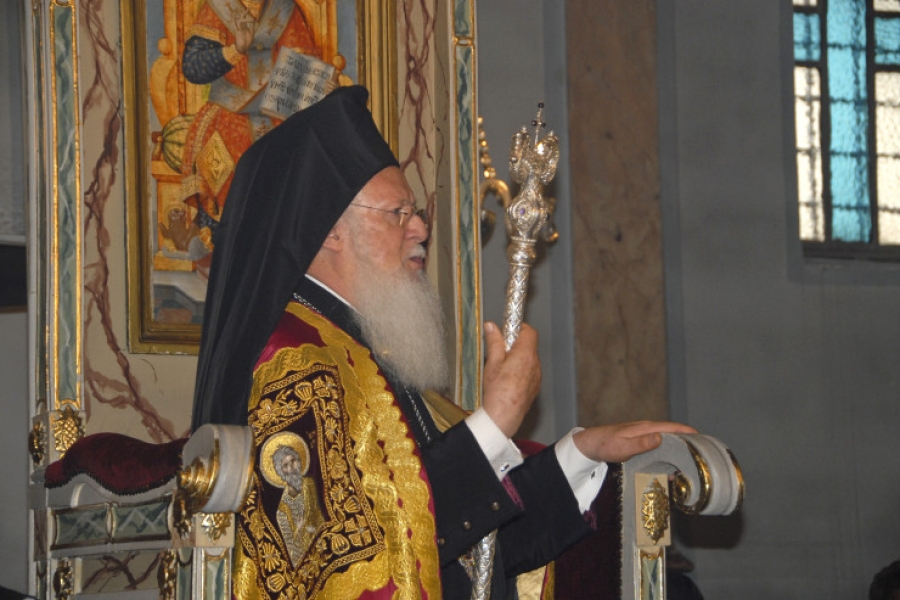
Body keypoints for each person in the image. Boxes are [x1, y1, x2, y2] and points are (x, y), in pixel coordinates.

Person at [191, 85, 696, 599]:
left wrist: (582, 452)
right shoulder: (296, 366)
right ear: (329, 232)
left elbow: (477, 543)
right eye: (398, 214)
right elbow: (354, 566)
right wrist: (493, 423)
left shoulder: (369, 355)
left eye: (417, 212)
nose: (422, 229)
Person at [179, 0, 322, 246]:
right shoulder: (218, 6)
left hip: (279, 115)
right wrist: (235, 49)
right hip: (227, 111)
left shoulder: (284, 8)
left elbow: (305, 73)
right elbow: (193, 68)